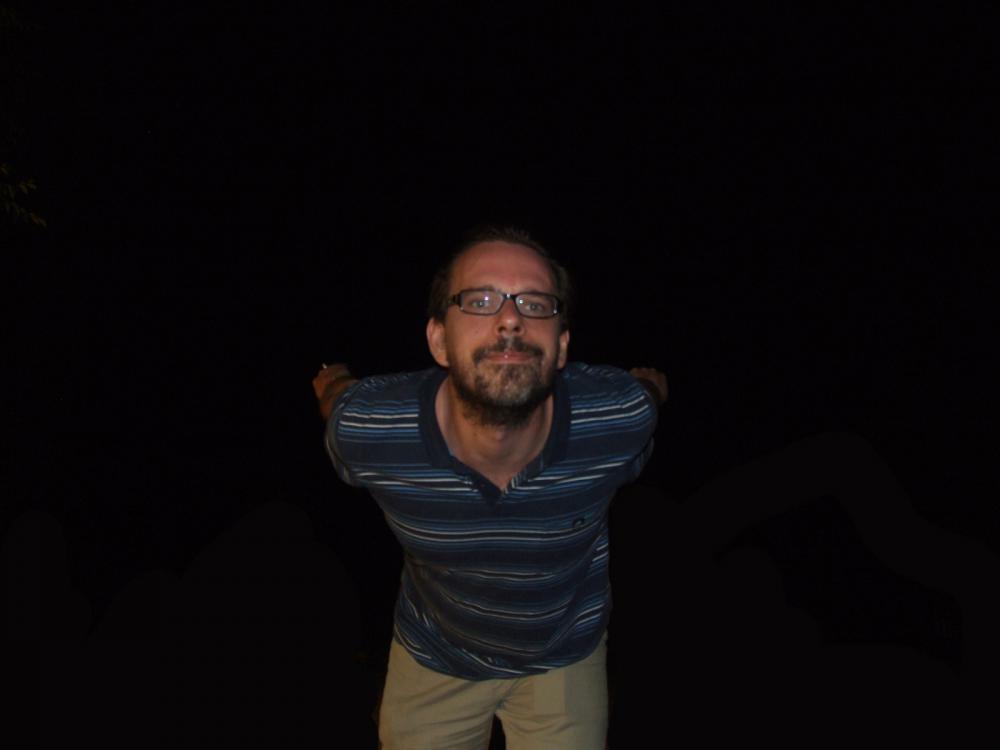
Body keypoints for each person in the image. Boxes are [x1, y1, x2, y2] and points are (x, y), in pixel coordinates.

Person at [312, 226, 667, 749]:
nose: (510, 320)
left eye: (535, 304)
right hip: (436, 655)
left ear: (561, 347)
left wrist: (654, 384)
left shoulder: (616, 418)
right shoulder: (371, 432)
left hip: (565, 654)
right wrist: (333, 379)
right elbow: (337, 401)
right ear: (439, 340)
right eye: (480, 301)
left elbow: (647, 396)